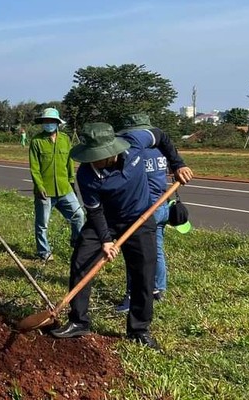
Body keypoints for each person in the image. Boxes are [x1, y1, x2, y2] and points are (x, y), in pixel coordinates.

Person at [50, 123, 193, 350]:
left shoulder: (135, 142)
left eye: (96, 156)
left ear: (111, 153)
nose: (91, 160)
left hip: (141, 219)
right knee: (81, 262)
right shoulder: (86, 175)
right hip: (105, 220)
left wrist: (178, 165)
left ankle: (139, 329)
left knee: (144, 273)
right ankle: (78, 321)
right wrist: (106, 240)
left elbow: (162, 135)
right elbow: (95, 211)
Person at [115, 113, 193, 312]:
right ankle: (158, 289)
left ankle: (133, 295)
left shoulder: (135, 151)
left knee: (136, 254)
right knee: (155, 250)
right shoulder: (159, 149)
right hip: (162, 206)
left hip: (144, 210)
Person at [28, 107, 85, 262]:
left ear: (57, 123)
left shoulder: (65, 139)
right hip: (45, 190)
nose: (49, 124)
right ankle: (43, 252)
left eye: (52, 121)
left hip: (64, 188)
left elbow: (69, 161)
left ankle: (76, 242)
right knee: (42, 223)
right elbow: (34, 167)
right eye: (46, 121)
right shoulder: (36, 141)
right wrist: (39, 187)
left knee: (78, 215)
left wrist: (72, 182)